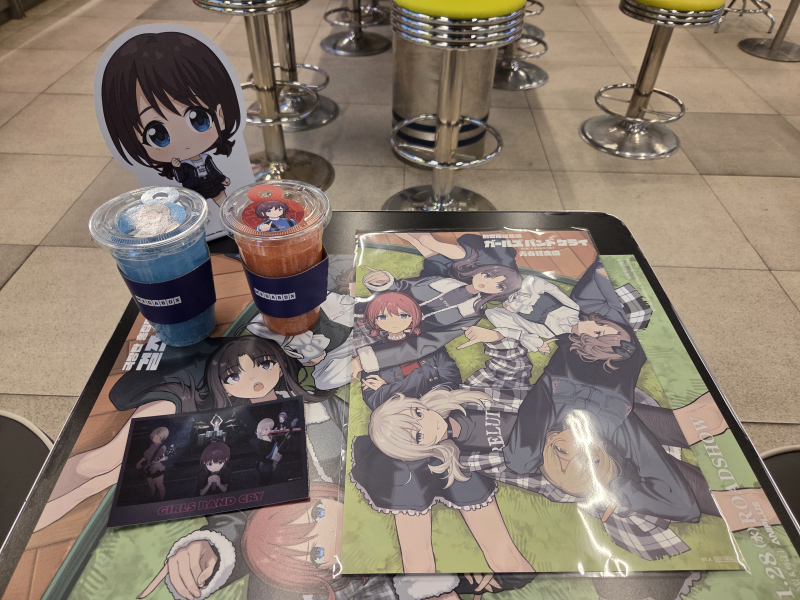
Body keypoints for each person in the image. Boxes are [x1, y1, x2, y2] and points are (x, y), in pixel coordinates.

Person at [36, 337, 328, 531]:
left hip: (193, 443)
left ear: (279, 367)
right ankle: (30, 512)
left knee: (110, 477)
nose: (254, 380)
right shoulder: (215, 399)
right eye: (235, 376)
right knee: (100, 462)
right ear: (225, 386)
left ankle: (43, 510)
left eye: (265, 365)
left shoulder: (289, 401)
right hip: (178, 407)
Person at [352, 233, 521, 381]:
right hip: (363, 315)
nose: (486, 283)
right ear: (478, 270)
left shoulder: (471, 315)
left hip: (384, 341)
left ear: (501, 293)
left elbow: (427, 344)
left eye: (499, 286)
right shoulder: (441, 282)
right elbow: (401, 287)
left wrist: (366, 360)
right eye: (488, 275)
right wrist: (384, 282)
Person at [100, 31, 238, 206]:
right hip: (195, 189)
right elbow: (181, 178)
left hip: (212, 184)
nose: (184, 141)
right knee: (196, 207)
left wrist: (223, 178)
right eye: (158, 135)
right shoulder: (183, 165)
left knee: (221, 200)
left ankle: (227, 213)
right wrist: (178, 167)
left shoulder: (207, 159)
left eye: (199, 120)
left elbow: (214, 171)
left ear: (220, 115)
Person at [356, 291, 462, 410]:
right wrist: (427, 374)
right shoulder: (371, 354)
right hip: (402, 414)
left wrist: (390, 388)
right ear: (375, 320)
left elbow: (452, 380)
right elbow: (374, 400)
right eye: (383, 317)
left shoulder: (428, 343)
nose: (393, 322)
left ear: (413, 317)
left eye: (402, 316)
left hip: (439, 406)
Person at [135, 427, 169, 501]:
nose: (155, 439)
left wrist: (160, 459)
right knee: (151, 485)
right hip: (148, 469)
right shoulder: (152, 445)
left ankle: (162, 500)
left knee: (159, 486)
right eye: (154, 437)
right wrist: (140, 462)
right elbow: (146, 456)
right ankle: (152, 497)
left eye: (158, 438)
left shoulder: (162, 447)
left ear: (162, 438)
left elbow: (166, 457)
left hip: (157, 469)